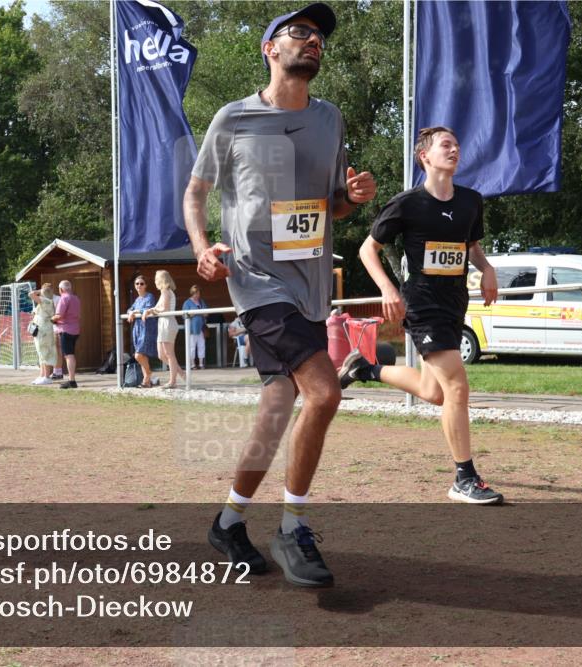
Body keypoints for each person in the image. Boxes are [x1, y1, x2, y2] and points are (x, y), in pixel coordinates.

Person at [183, 2, 376, 587]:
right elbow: (196, 192)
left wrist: (354, 196)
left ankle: (228, 521)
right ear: (269, 49)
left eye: (318, 36)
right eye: (299, 33)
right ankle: (293, 527)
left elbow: (331, 204)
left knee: (275, 407)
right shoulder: (233, 118)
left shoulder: (330, 118)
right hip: (257, 281)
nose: (312, 41)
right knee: (323, 393)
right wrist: (201, 247)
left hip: (310, 287)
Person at [340, 126, 503, 505]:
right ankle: (464, 477)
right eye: (446, 145)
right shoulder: (407, 203)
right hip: (422, 303)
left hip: (454, 303)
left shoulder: (471, 202)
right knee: (457, 389)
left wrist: (488, 268)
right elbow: (368, 250)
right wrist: (387, 289)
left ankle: (364, 370)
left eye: (457, 145)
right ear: (425, 157)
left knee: (433, 392)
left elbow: (472, 247)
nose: (455, 150)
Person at [145, 270, 186, 388]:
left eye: (156, 278)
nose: (155, 281)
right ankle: (181, 373)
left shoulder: (166, 291)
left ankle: (173, 381)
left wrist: (152, 311)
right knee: (161, 355)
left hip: (168, 323)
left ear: (161, 279)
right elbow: (158, 307)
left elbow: (165, 309)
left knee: (169, 354)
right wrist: (150, 310)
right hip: (163, 323)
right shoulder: (164, 293)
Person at [126, 274, 158, 388]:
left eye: (141, 284)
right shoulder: (137, 299)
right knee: (142, 355)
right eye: (137, 283)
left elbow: (149, 308)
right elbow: (131, 309)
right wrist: (131, 312)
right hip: (138, 328)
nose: (139, 285)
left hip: (147, 328)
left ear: (146, 285)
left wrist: (135, 312)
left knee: (138, 355)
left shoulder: (149, 296)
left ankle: (148, 374)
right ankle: (147, 381)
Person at [52, 280, 81, 389]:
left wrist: (51, 319)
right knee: (71, 354)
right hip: (75, 329)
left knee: (69, 356)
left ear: (61, 289)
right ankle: (71, 379)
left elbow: (59, 315)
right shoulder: (76, 298)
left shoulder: (64, 298)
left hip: (66, 330)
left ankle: (71, 380)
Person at [29, 283, 57, 385]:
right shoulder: (48, 301)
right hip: (41, 330)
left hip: (43, 331)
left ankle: (46, 376)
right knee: (41, 353)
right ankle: (42, 375)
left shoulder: (45, 300)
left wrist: (40, 291)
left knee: (45, 353)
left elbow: (31, 294)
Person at [182, 285, 208, 370]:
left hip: (201, 328)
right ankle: (192, 364)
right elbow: (184, 315)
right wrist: (193, 313)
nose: (197, 295)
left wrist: (199, 313)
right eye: (195, 293)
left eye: (198, 293)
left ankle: (201, 364)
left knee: (201, 345)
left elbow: (206, 313)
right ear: (192, 293)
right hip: (191, 329)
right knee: (192, 346)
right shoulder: (187, 303)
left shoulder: (201, 302)